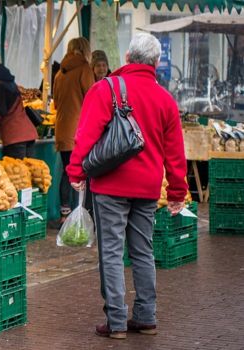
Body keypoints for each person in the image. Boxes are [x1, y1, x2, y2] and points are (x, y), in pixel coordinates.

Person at [66, 33, 187, 340]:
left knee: (111, 252)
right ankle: (146, 317)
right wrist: (176, 192)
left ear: (128, 58)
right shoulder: (166, 100)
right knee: (143, 251)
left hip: (110, 185)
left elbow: (86, 134)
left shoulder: (105, 89)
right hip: (147, 187)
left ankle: (116, 322)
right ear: (157, 63)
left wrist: (76, 170)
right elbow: (175, 153)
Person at [53, 37, 95, 219]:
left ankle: (65, 214)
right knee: (80, 174)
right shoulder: (84, 69)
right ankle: (80, 215)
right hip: (79, 130)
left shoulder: (59, 73)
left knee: (67, 171)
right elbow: (94, 98)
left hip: (62, 129)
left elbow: (55, 103)